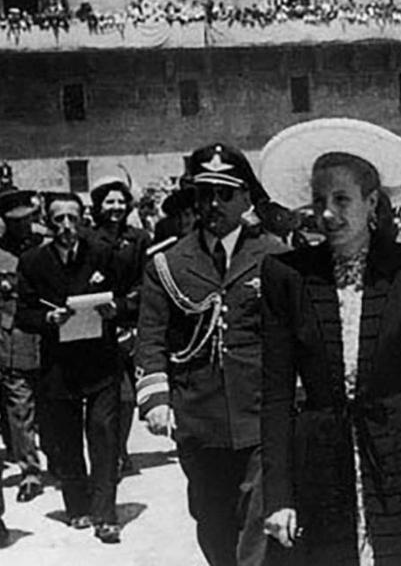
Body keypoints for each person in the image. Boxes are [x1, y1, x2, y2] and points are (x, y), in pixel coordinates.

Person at [258, 119, 401, 565]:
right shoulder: (286, 276)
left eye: (342, 199)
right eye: (319, 201)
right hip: (321, 461)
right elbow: (274, 395)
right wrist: (278, 494)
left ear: (371, 203)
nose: (327, 213)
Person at [135, 143, 285, 566]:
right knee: (212, 520)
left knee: (258, 520)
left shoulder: (275, 256)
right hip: (200, 416)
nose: (213, 204)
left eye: (224, 193)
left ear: (246, 198)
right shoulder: (168, 264)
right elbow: (151, 337)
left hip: (261, 415)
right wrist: (157, 399)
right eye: (204, 194)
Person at [15, 192, 123, 543]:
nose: (66, 227)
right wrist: (48, 317)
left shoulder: (102, 254)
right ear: (48, 222)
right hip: (59, 366)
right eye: (59, 219)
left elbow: (127, 295)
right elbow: (23, 314)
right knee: (67, 439)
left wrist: (114, 309)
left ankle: (106, 515)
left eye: (73, 219)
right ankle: (77, 506)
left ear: (83, 220)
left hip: (101, 361)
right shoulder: (32, 262)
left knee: (103, 434)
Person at [85, 176, 152, 477]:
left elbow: (144, 282)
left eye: (120, 201)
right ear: (98, 206)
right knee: (100, 400)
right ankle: (104, 454)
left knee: (126, 398)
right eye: (109, 202)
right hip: (94, 326)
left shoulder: (138, 238)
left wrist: (124, 308)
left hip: (128, 325)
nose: (116, 207)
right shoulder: (87, 239)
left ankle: (119, 450)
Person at [0, 189, 45, 503]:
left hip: (51, 333)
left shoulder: (49, 245)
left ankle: (60, 457)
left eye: (26, 221)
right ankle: (29, 470)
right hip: (14, 337)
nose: (22, 228)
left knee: (54, 402)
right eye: (14, 223)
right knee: (20, 405)